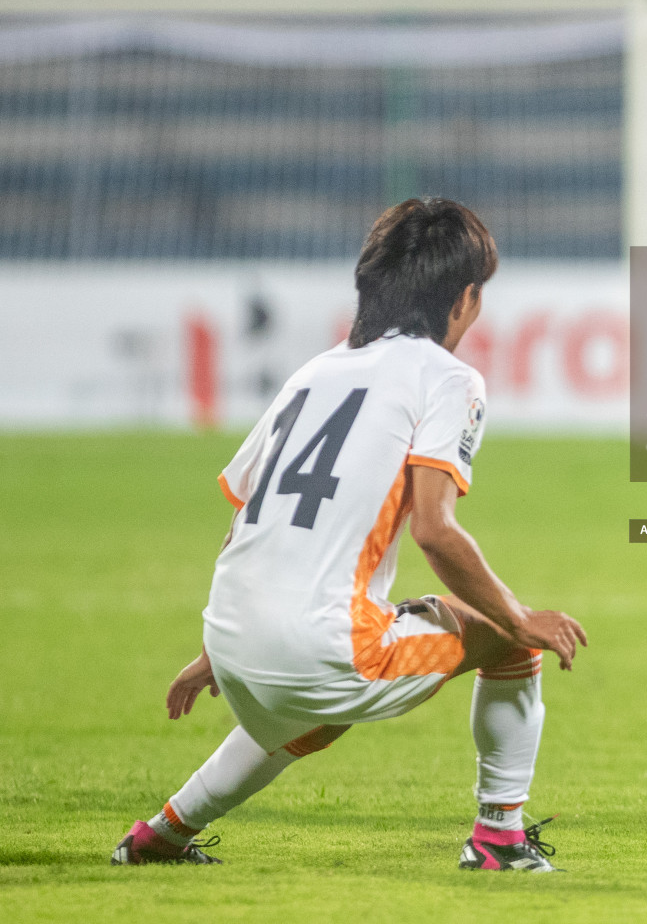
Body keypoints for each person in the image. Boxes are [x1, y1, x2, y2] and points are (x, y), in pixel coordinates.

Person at [112, 198, 587, 871]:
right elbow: (434, 529)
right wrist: (519, 616)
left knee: (314, 712)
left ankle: (159, 835)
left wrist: (214, 651)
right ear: (465, 300)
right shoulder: (448, 379)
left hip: (231, 635)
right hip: (320, 650)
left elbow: (246, 524)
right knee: (508, 642)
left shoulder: (313, 373)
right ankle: (498, 839)